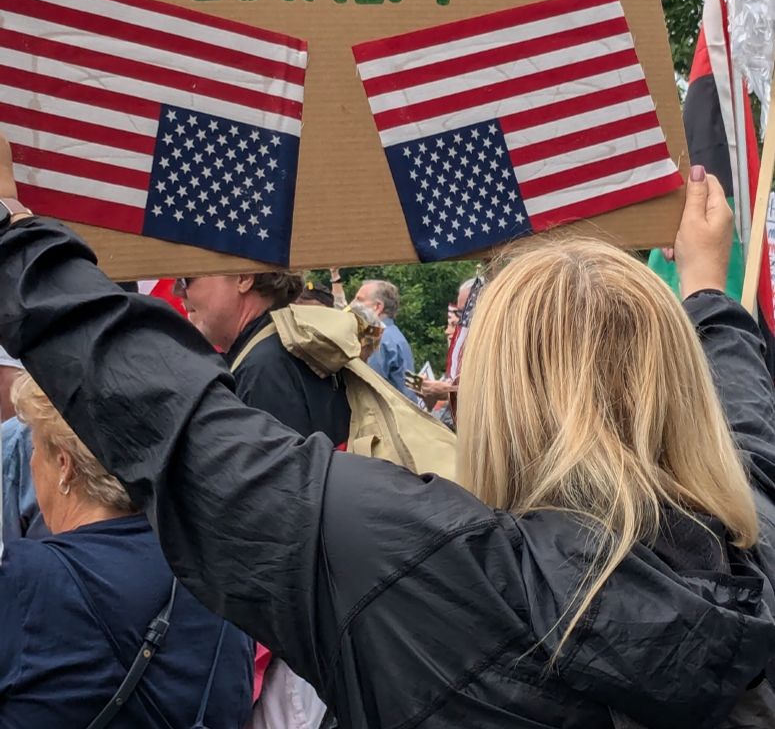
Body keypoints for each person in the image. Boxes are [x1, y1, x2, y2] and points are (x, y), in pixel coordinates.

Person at [1, 139, 774, 726]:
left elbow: (186, 428)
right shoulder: (753, 553)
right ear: (682, 387)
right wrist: (704, 291)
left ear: (500, 396)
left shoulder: (433, 568)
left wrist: (17, 236)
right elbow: (746, 433)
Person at [0, 371, 254, 728]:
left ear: (64, 465)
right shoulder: (221, 576)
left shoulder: (22, 582)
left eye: (36, 448)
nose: (29, 463)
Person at [174, 272, 350, 445]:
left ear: (243, 278)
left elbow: (280, 471)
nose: (178, 291)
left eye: (186, 279)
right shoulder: (279, 347)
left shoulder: (263, 367)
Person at [352, 279, 418, 402]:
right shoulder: (397, 337)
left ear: (377, 307)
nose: (352, 305)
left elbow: (368, 385)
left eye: (359, 300)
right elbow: (409, 385)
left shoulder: (376, 338)